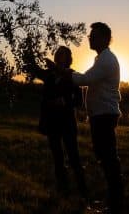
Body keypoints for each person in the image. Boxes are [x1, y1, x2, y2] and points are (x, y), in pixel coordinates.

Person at [68, 22, 124, 213]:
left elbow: (84, 80)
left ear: (105, 38)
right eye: (90, 35)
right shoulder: (102, 58)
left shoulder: (106, 60)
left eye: (94, 35)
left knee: (108, 158)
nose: (90, 38)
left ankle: (115, 203)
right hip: (101, 114)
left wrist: (65, 72)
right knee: (106, 157)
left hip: (104, 115)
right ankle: (113, 200)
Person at [29, 46, 87, 197]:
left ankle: (83, 191)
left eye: (64, 54)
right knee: (57, 157)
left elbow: (79, 101)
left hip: (67, 122)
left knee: (74, 157)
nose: (60, 56)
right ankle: (63, 189)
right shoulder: (49, 75)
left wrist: (65, 102)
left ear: (68, 58)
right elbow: (34, 71)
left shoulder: (72, 75)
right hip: (52, 121)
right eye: (58, 54)